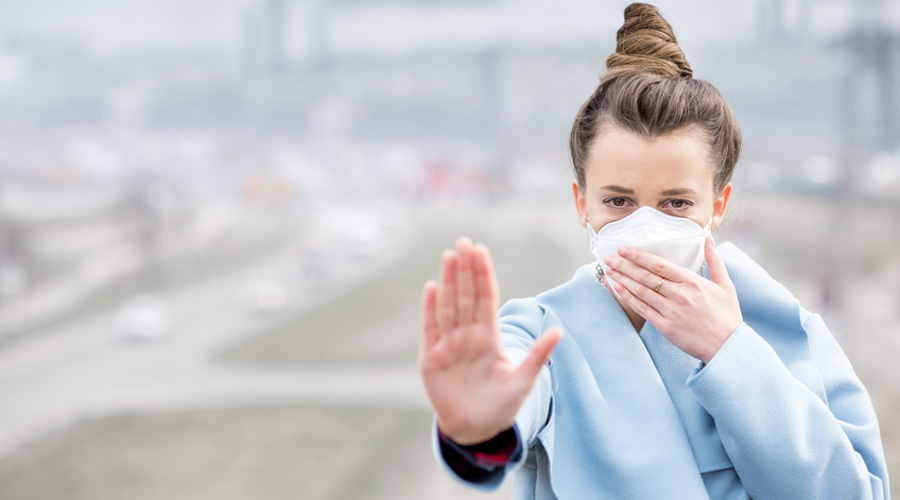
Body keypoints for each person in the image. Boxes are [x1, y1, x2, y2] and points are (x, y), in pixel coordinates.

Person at [417, 3, 891, 500]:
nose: (645, 227)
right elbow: (510, 391)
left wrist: (729, 352)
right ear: (582, 203)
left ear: (719, 203)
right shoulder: (542, 336)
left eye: (676, 203)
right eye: (618, 201)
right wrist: (478, 431)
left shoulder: (788, 329)